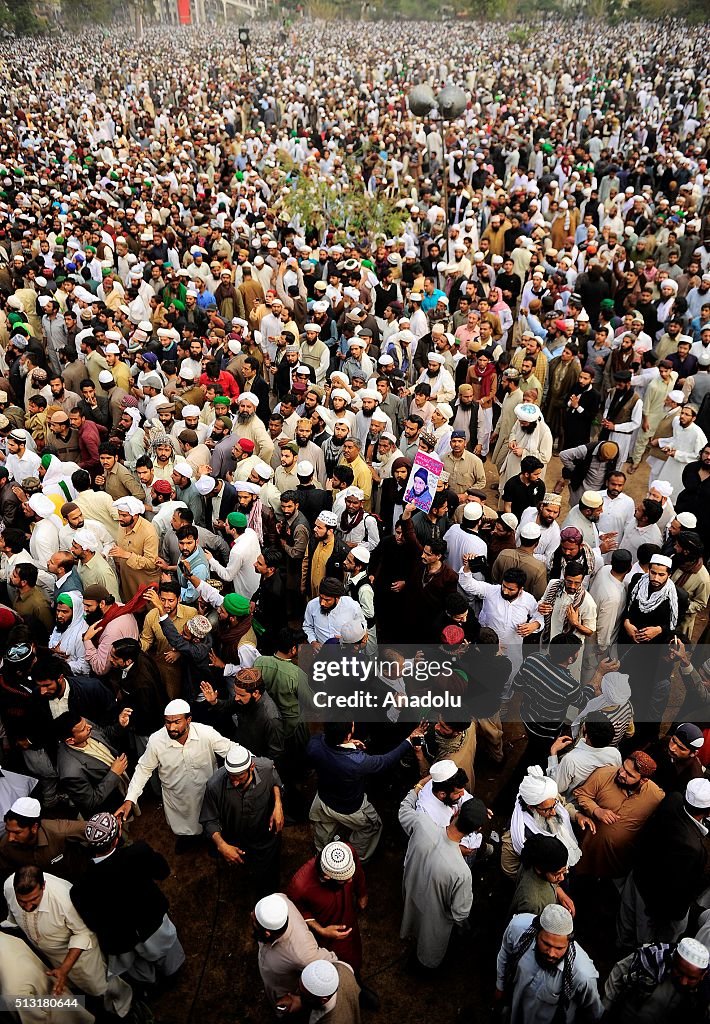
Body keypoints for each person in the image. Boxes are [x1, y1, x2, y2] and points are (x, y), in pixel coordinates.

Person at [70, 811, 185, 987]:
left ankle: (152, 986)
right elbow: (163, 871)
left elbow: (93, 923)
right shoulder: (138, 853)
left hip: (121, 943)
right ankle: (173, 975)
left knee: (140, 971)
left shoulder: (80, 888)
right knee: (168, 956)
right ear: (116, 839)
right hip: (152, 925)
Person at [4, 865, 133, 1013]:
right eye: (21, 902)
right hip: (51, 957)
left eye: (33, 899)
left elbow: (83, 933)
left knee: (98, 986)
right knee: (73, 987)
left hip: (80, 957)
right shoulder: (8, 886)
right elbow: (13, 914)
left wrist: (64, 969)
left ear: (44, 886)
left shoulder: (65, 898)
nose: (27, 906)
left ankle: (124, 1003)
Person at [116, 699, 231, 846]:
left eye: (177, 722)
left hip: (205, 796)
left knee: (210, 827)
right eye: (168, 722)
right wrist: (130, 800)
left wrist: (258, 765)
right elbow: (143, 769)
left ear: (188, 720)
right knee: (184, 829)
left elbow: (230, 749)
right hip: (177, 799)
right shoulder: (156, 740)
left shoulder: (206, 733)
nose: (171, 727)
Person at [307, 720, 426, 862]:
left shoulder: (314, 744)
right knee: (372, 826)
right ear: (350, 733)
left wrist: (348, 744)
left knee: (324, 826)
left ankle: (321, 853)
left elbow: (329, 748)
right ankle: (355, 857)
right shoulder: (357, 762)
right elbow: (385, 761)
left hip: (323, 800)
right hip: (350, 808)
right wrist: (409, 740)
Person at [398, 784, 485, 969]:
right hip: (434, 919)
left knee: (411, 923)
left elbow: (404, 810)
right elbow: (460, 913)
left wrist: (417, 787)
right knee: (428, 950)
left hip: (411, 896)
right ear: (476, 829)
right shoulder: (461, 872)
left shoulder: (422, 823)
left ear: (457, 812)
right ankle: (422, 968)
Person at [618, 778, 710, 948]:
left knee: (627, 921)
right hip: (656, 901)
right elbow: (678, 888)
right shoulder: (692, 846)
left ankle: (623, 945)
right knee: (648, 939)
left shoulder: (672, 800)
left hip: (639, 876)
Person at [199, 742, 283, 897]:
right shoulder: (214, 785)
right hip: (237, 839)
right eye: (231, 777)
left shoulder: (265, 766)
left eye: (239, 777)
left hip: (266, 837)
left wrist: (278, 805)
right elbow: (209, 820)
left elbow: (275, 781)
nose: (235, 782)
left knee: (269, 879)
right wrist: (222, 845)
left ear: (251, 767)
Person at [495, 905, 604, 1024]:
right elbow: (505, 951)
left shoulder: (582, 974)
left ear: (568, 942)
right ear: (537, 933)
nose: (551, 953)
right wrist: (500, 986)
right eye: (546, 944)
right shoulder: (518, 928)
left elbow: (593, 1012)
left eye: (559, 948)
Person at [574, 752, 664, 878]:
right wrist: (596, 810)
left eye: (629, 774)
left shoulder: (656, 797)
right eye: (623, 767)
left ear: (644, 780)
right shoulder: (603, 775)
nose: (621, 774)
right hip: (586, 853)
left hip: (617, 863)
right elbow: (581, 794)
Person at [286, 841, 368, 975]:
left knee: (355, 951)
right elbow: (297, 911)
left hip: (349, 917)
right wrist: (321, 930)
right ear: (327, 877)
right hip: (328, 932)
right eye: (345, 880)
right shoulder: (300, 886)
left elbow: (358, 873)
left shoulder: (347, 851)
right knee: (341, 964)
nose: (350, 881)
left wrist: (362, 893)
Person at [252, 892, 337, 1008]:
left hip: (284, 993)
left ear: (267, 933)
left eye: (254, 921)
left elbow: (331, 966)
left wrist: (300, 1000)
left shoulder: (302, 954)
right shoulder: (275, 901)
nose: (251, 914)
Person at [603, 937, 710, 1024]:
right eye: (679, 972)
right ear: (673, 960)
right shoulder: (651, 957)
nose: (683, 982)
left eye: (691, 978)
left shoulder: (704, 991)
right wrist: (605, 1009)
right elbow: (619, 971)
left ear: (703, 975)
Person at [0, 797, 88, 881]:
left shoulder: (59, 831)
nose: (10, 838)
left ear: (34, 827)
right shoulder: (5, 846)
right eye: (8, 831)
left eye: (17, 833)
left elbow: (95, 827)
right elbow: (9, 875)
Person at [509, 834, 574, 917]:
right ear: (540, 870)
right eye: (556, 874)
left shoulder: (533, 859)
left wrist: (560, 894)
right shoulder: (531, 904)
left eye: (564, 871)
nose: (562, 878)